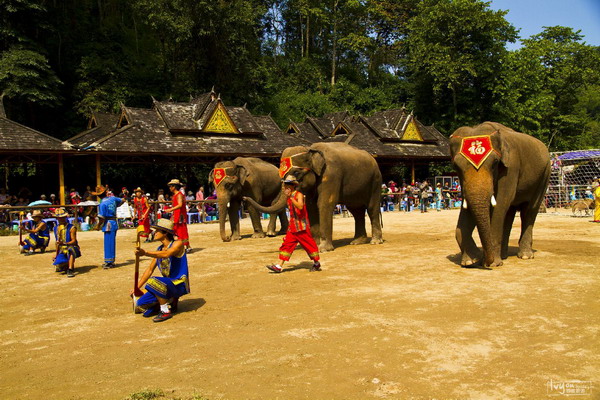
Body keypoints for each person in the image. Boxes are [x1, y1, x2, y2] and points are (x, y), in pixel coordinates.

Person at [258, 176, 320, 273]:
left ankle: (316, 263)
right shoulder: (288, 197)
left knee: (308, 245)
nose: (284, 188)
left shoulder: (298, 195)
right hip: (292, 227)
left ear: (292, 186)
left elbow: (300, 206)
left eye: (286, 186)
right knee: (287, 245)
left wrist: (291, 198)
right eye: (284, 186)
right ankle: (279, 266)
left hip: (301, 227)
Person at [132, 218, 190, 322]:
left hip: (179, 283)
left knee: (153, 281)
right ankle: (171, 301)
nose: (154, 233)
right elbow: (149, 270)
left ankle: (165, 311)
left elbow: (167, 253)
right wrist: (137, 287)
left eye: (157, 230)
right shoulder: (159, 250)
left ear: (165, 233)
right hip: (166, 285)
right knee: (140, 305)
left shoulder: (178, 243)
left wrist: (145, 253)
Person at [94, 184, 125, 269]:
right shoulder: (113, 199)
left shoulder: (102, 204)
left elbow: (101, 217)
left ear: (99, 196)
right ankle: (110, 260)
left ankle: (109, 261)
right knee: (112, 242)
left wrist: (98, 226)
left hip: (108, 224)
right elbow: (122, 200)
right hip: (114, 222)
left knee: (108, 242)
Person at [164, 179, 191, 252]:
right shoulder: (175, 195)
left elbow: (180, 205)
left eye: (170, 186)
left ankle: (187, 246)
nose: (170, 188)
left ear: (174, 187)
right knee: (176, 230)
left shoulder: (179, 194)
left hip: (180, 216)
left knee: (181, 230)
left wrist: (171, 209)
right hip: (176, 215)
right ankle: (182, 245)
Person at [52, 208, 81, 277]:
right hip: (62, 249)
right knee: (60, 265)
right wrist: (56, 254)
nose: (61, 219)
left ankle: (70, 269)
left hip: (71, 246)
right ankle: (65, 264)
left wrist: (65, 243)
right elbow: (57, 243)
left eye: (62, 217)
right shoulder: (55, 228)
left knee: (71, 249)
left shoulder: (71, 227)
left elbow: (74, 241)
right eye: (59, 218)